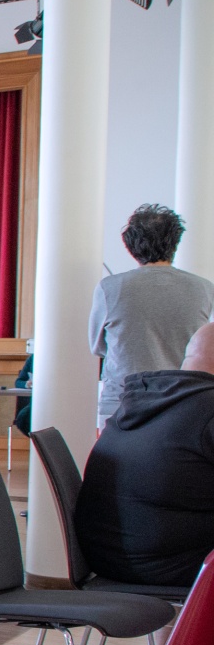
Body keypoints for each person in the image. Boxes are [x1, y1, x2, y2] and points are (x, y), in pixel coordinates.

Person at [76, 322, 214, 591]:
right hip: (168, 565)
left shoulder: (144, 399)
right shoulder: (207, 407)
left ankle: (176, 633)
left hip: (107, 558)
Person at [89, 205, 214, 427]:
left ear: (130, 244)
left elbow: (97, 347)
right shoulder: (204, 288)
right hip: (181, 403)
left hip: (122, 403)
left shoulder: (110, 288)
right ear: (175, 242)